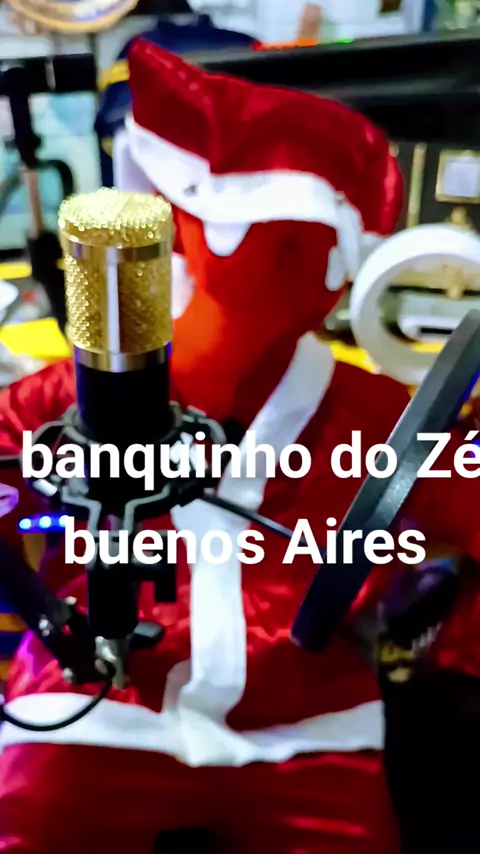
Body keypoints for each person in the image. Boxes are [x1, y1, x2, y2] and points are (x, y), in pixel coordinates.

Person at [0, 40, 478, 854]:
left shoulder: (374, 417)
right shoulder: (66, 399)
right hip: (101, 709)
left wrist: (454, 646)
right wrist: (45, 610)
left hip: (309, 726)